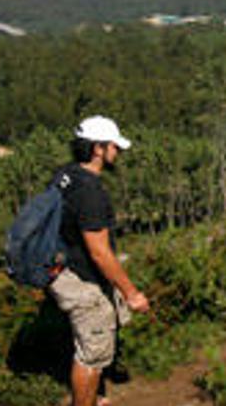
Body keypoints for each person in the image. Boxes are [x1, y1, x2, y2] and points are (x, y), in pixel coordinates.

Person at [47, 116, 151, 406]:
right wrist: (132, 294)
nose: (118, 152)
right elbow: (100, 253)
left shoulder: (65, 174)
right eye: (114, 146)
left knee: (89, 345)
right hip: (83, 281)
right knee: (90, 357)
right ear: (98, 149)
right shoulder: (90, 192)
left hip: (64, 270)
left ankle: (95, 398)